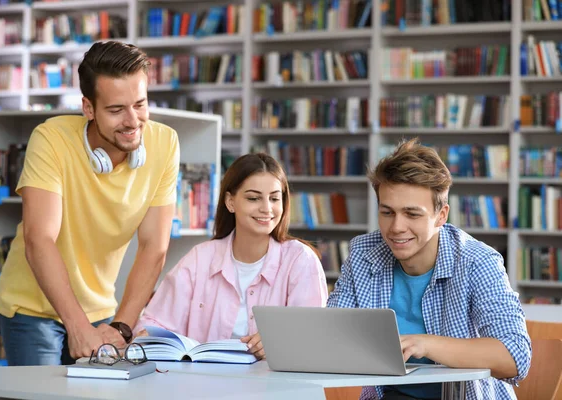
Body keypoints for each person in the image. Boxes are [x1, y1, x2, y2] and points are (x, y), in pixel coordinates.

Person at [0, 41, 180, 366]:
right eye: (115, 109)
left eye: (140, 104)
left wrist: (122, 326)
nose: (132, 120)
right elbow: (40, 238)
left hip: (101, 311)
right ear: (88, 108)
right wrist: (76, 325)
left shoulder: (165, 144)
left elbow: (154, 246)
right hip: (32, 310)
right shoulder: (51, 139)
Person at [327, 138, 531, 400]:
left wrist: (426, 343)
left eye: (412, 214)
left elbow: (515, 358)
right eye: (387, 212)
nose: (396, 227)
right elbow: (333, 334)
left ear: (441, 216)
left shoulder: (477, 261)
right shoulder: (363, 254)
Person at [134, 153, 328, 359]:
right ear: (230, 202)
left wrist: (281, 340)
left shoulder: (300, 260)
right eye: (253, 198)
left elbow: (313, 336)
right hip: (203, 383)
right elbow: (154, 322)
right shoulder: (200, 258)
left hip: (275, 386)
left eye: (274, 198)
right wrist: (147, 334)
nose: (266, 208)